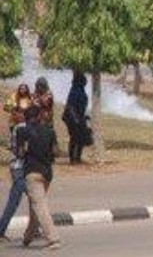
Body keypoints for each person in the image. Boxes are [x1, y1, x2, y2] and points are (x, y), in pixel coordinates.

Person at [16, 105, 59, 249]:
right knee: (34, 205)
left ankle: (53, 239)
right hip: (47, 173)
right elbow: (56, 151)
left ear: (26, 118)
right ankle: (28, 237)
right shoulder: (50, 131)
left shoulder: (22, 131)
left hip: (32, 172)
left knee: (39, 205)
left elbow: (20, 153)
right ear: (39, 116)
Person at [0, 105, 29, 241]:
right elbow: (20, 151)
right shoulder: (21, 128)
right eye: (19, 113)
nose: (21, 115)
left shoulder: (17, 128)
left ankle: (35, 229)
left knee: (32, 200)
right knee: (18, 201)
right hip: (20, 168)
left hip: (18, 168)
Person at [62, 72, 91, 165]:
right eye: (84, 80)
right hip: (72, 118)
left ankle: (78, 157)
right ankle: (72, 159)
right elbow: (70, 106)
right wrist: (75, 118)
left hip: (79, 117)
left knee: (81, 138)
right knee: (74, 138)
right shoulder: (74, 91)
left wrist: (84, 116)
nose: (85, 82)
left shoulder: (81, 90)